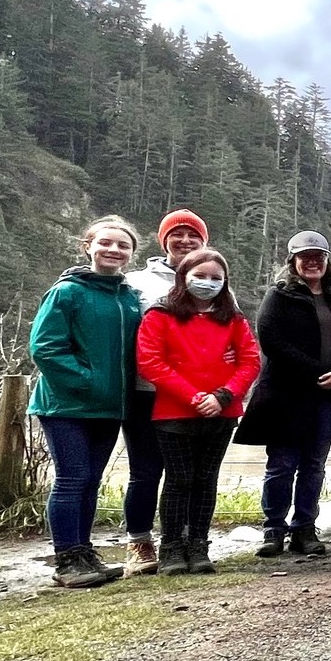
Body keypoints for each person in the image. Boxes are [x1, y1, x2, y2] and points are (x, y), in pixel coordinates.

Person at [29, 216, 144, 588]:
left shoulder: (129, 297)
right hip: (66, 405)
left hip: (111, 407)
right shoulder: (67, 292)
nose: (114, 250)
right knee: (71, 478)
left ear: (131, 254)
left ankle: (84, 552)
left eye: (122, 245)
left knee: (90, 480)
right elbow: (44, 347)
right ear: (88, 246)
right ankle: (66, 559)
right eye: (106, 243)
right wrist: (88, 380)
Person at [136, 248, 261, 576]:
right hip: (174, 413)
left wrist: (223, 395)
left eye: (215, 278)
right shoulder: (160, 315)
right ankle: (172, 548)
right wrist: (194, 397)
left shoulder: (232, 318)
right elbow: (151, 362)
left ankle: (199, 545)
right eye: (200, 276)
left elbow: (250, 360)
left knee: (206, 480)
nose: (208, 283)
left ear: (225, 282)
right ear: (184, 277)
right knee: (178, 480)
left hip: (222, 412)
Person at [236, 231, 331, 558]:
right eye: (305, 257)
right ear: (293, 261)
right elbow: (271, 340)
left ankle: (304, 528)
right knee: (282, 465)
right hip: (286, 398)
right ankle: (274, 529)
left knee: (314, 466)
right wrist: (316, 370)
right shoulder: (278, 296)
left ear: (327, 261)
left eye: (318, 256)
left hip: (325, 398)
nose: (312, 262)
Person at [120, 208, 207, 575]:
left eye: (194, 236)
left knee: (185, 472)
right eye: (178, 234)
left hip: (194, 396)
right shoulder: (137, 282)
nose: (185, 241)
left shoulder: (212, 279)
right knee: (145, 470)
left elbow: (229, 334)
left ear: (204, 242)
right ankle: (140, 543)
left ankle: (182, 538)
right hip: (145, 391)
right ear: (164, 240)